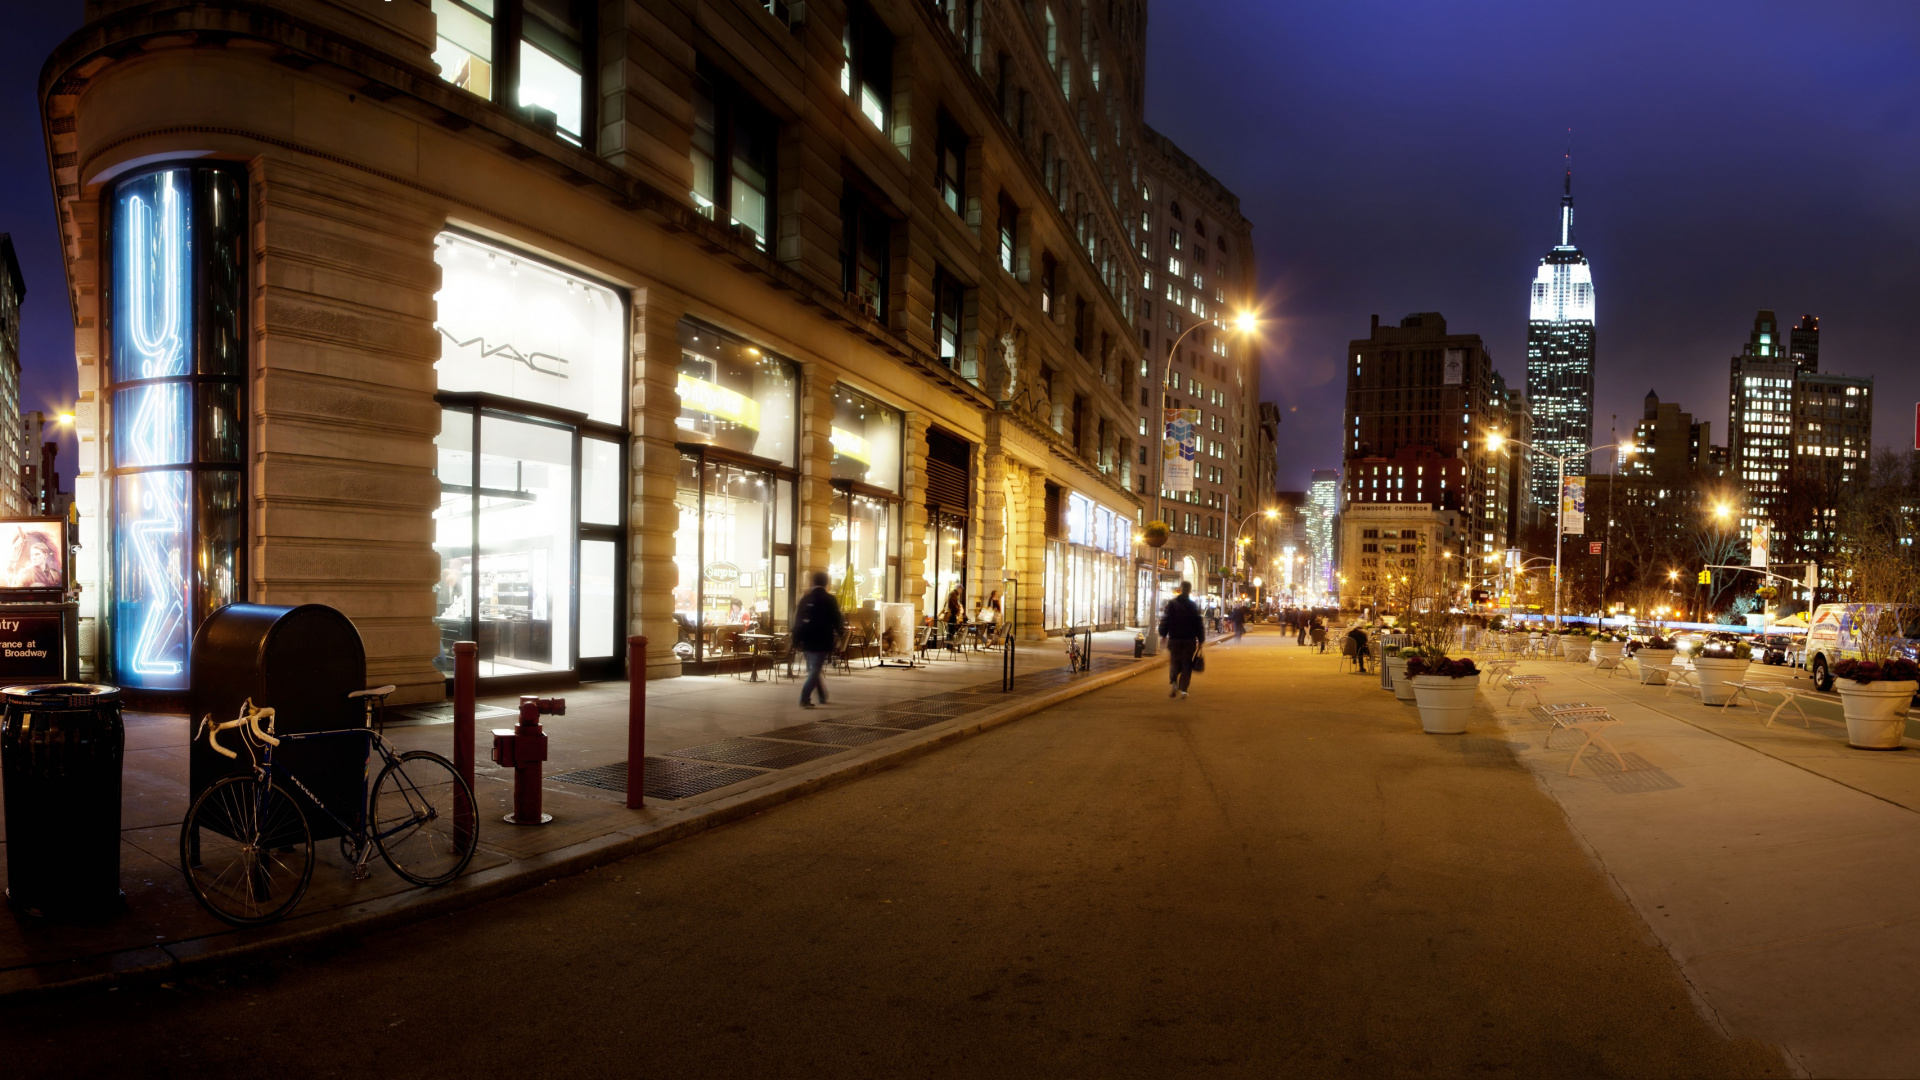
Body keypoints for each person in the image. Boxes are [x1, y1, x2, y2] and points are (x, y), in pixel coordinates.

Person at [793, 571, 844, 708]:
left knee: (814, 669)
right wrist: (840, 636)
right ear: (826, 583)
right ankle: (804, 697)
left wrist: (796, 639)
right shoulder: (829, 599)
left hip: (806, 640)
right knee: (815, 670)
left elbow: (797, 619)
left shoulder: (805, 599)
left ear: (813, 582)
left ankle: (822, 695)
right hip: (822, 640)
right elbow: (837, 620)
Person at [1158, 580, 1206, 699]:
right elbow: (1198, 624)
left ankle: (1174, 682)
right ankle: (1184, 689)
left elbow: (1165, 620)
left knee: (1175, 662)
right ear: (1189, 590)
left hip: (1175, 639)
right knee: (1186, 665)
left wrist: (1163, 635)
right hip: (1189, 640)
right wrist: (1201, 640)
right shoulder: (1193, 606)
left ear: (1180, 589)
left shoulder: (1172, 604)